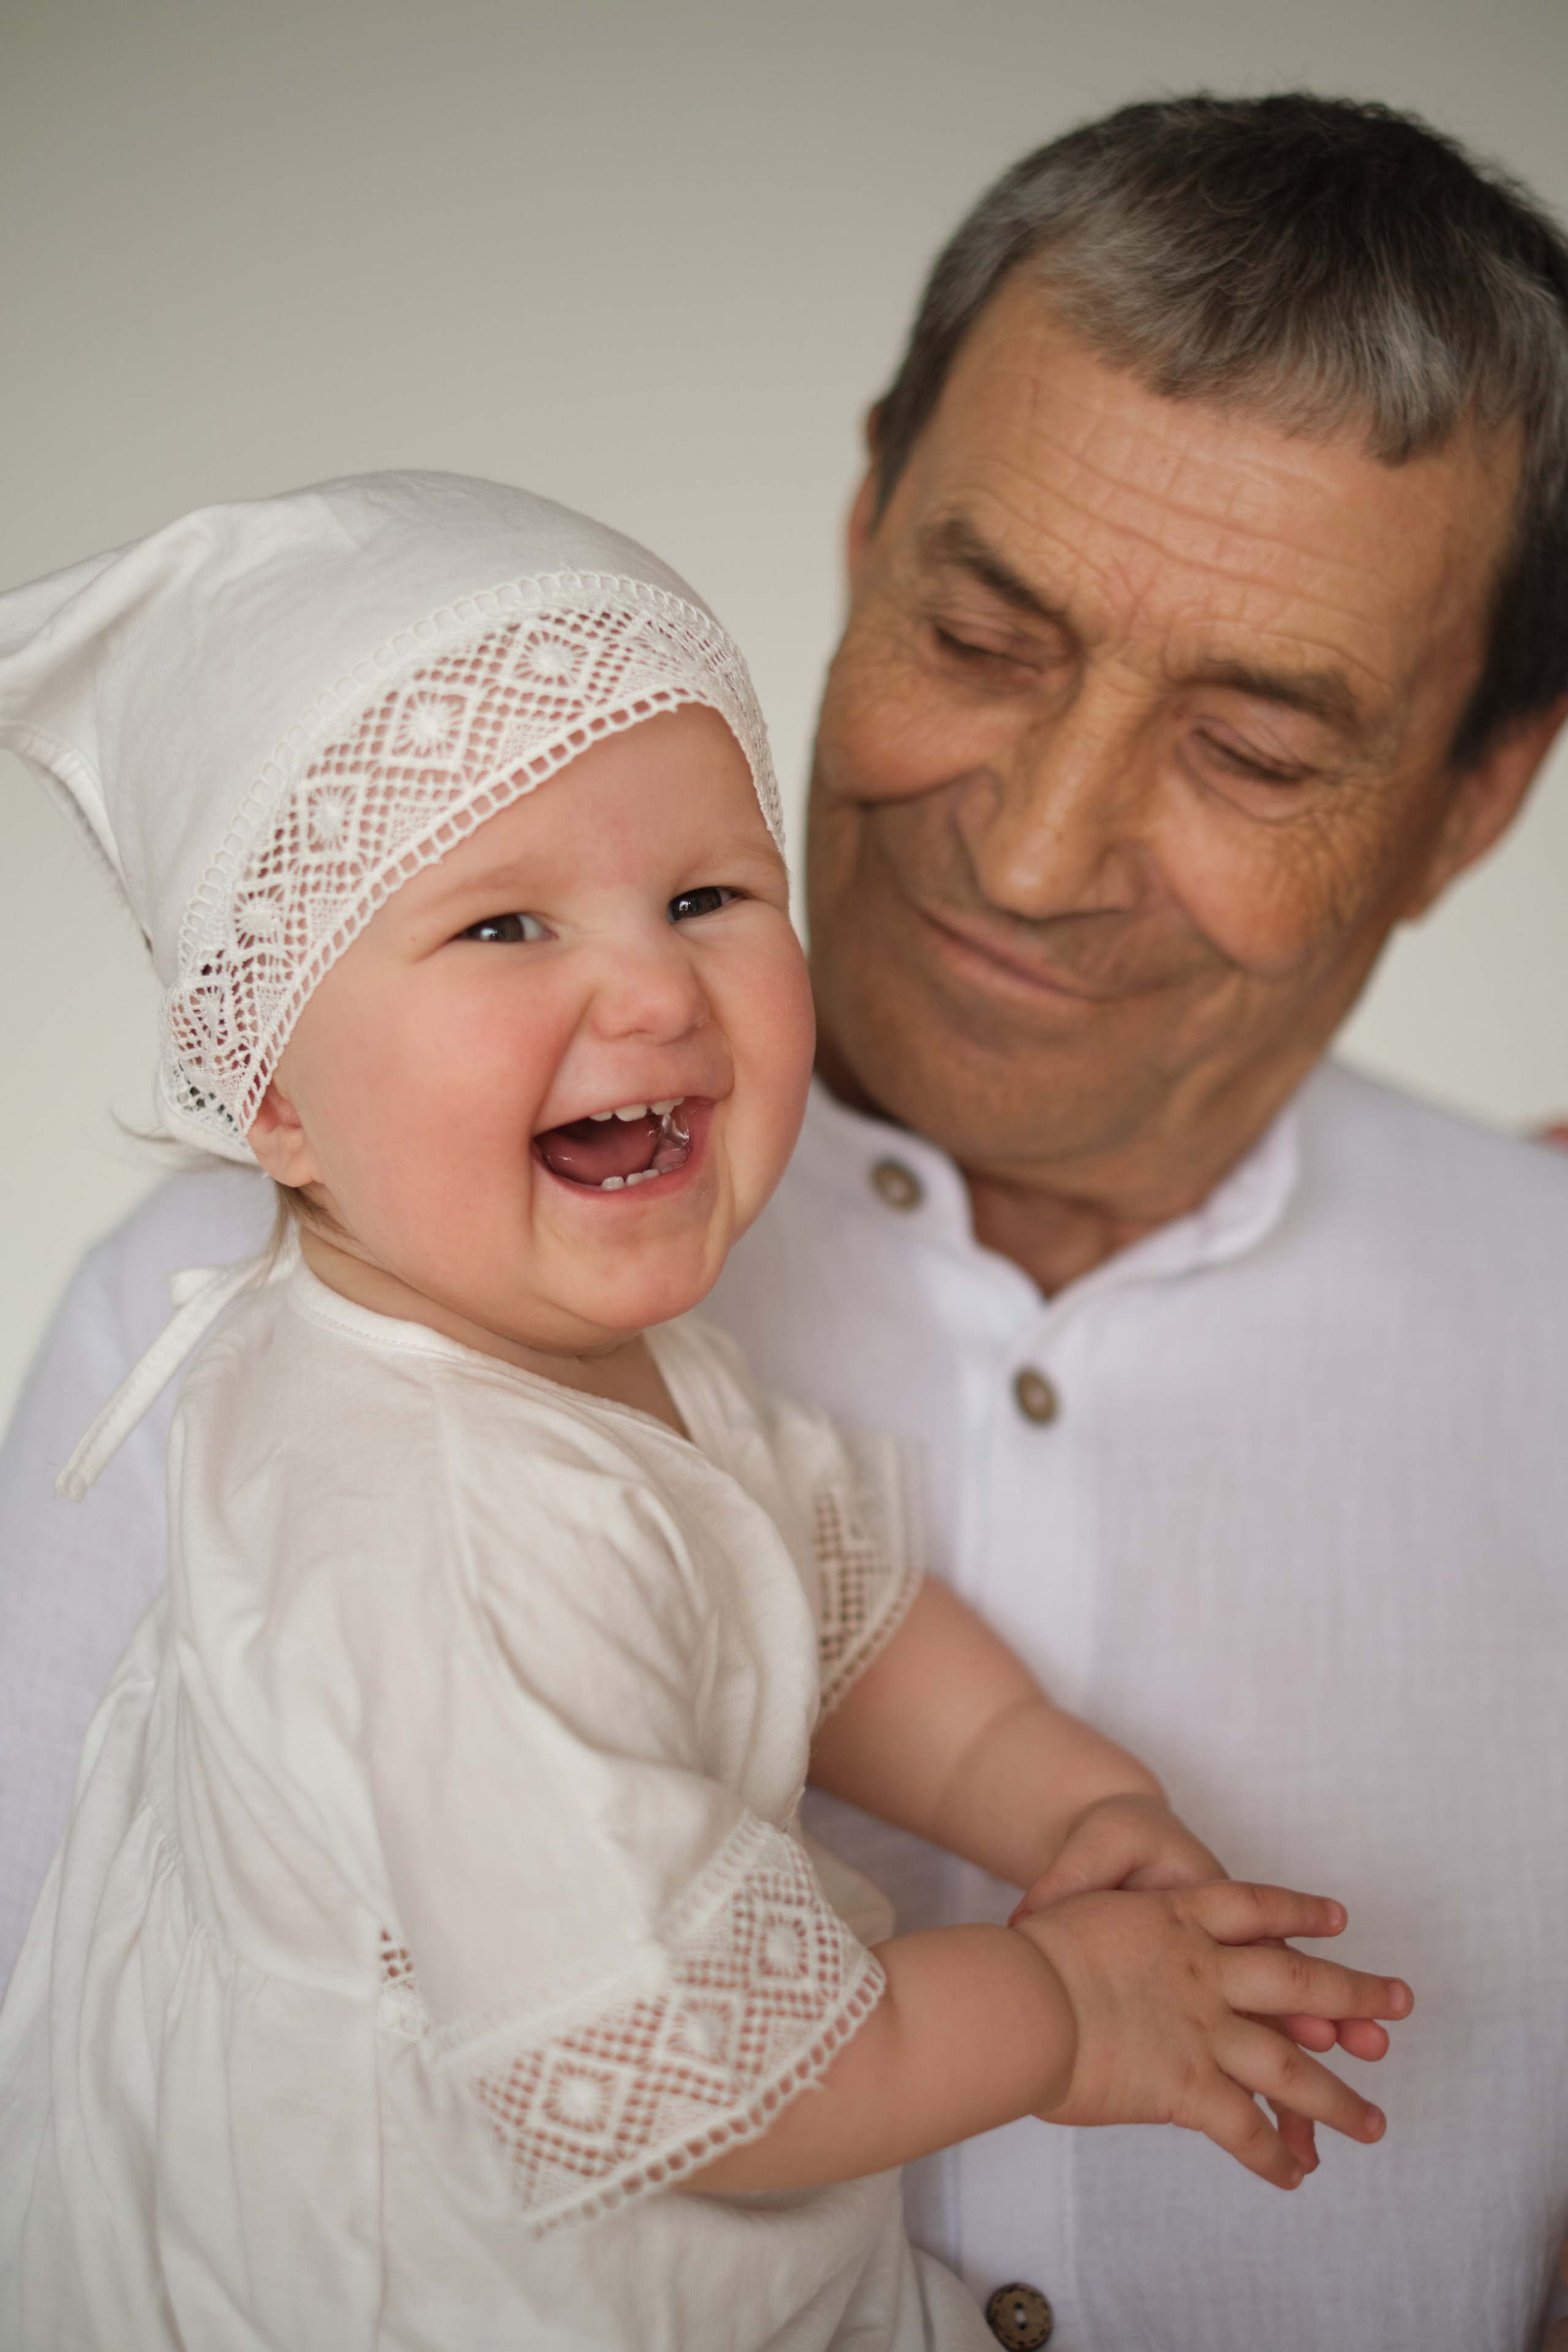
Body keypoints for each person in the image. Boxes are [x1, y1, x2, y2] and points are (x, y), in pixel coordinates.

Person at [2, 89, 1567, 2351]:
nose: (1031, 855)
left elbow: (836, 1607)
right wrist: (1054, 2002)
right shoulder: (234, 1361)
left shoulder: (1538, 1315)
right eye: (984, 636)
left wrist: (1074, 1799)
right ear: (863, 528)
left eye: (1251, 744)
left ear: (1474, 801)